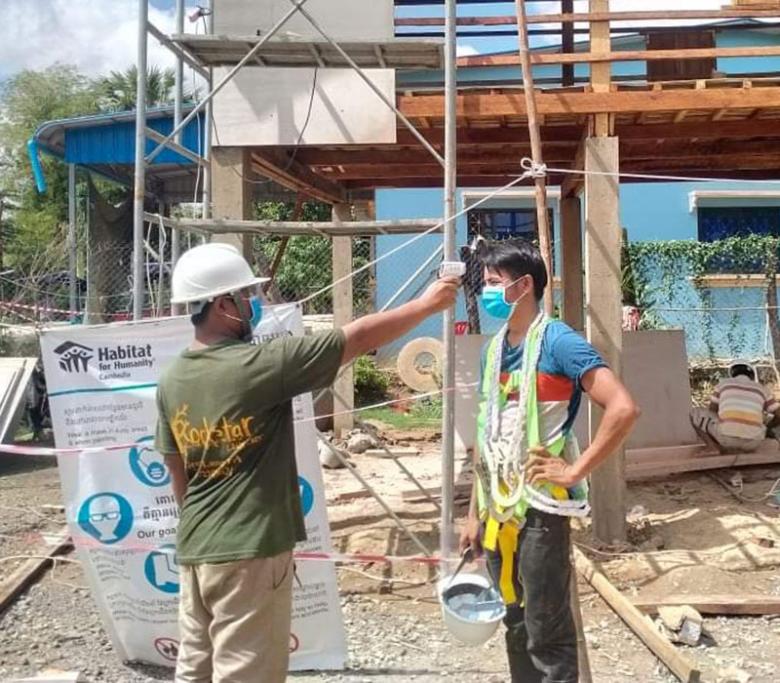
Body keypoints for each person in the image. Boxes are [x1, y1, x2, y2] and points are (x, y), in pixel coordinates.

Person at [155, 242, 459, 683]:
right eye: (247, 297)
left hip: (196, 547)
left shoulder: (172, 378)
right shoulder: (259, 364)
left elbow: (174, 467)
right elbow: (354, 339)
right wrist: (426, 304)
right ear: (224, 304)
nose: (254, 305)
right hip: (250, 549)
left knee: (195, 670)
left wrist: (201, 528)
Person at [459, 238, 639, 683]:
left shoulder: (559, 342)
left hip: (541, 508)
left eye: (493, 282)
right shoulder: (493, 349)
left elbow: (622, 407)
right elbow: (488, 431)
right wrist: (473, 513)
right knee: (514, 619)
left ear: (524, 286)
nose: (485, 291)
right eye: (484, 282)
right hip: (499, 508)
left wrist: (576, 470)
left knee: (546, 627)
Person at [690, 360, 780, 453]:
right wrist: (768, 427)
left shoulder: (723, 385)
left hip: (726, 439)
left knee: (694, 413)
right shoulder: (762, 389)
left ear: (732, 374)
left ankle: (712, 448)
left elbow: (712, 411)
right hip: (754, 442)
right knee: (761, 420)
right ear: (752, 376)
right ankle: (745, 446)